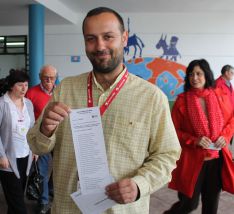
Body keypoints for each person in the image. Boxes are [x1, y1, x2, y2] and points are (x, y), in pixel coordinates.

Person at [27, 7, 181, 214]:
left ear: (124, 38)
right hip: (68, 208)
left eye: (108, 37)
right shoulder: (65, 89)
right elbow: (37, 146)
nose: (100, 46)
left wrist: (140, 185)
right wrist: (45, 129)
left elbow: (167, 155)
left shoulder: (152, 98)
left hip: (122, 209)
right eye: (91, 38)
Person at [164, 59, 234, 214]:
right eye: (191, 74)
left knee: (211, 206)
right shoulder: (182, 101)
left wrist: (225, 136)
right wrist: (195, 140)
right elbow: (173, 131)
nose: (194, 78)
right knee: (189, 204)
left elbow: (231, 120)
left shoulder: (218, 96)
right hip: (192, 162)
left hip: (216, 161)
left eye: (198, 74)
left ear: (206, 75)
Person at [0, 69, 35, 214]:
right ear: (11, 86)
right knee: (19, 204)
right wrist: (1, 155)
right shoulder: (2, 104)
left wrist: (35, 149)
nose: (24, 88)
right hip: (8, 159)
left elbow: (32, 128)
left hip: (26, 156)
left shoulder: (28, 104)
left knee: (16, 199)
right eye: (20, 85)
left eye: (26, 85)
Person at [26, 65, 57, 214]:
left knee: (58, 167)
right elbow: (27, 119)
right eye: (46, 77)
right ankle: (43, 201)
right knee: (43, 171)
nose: (49, 80)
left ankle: (51, 190)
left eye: (52, 77)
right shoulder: (31, 93)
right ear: (40, 77)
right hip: (42, 137)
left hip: (59, 137)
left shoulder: (60, 91)